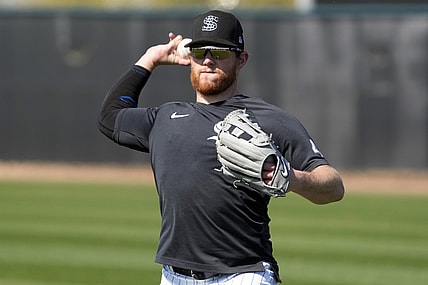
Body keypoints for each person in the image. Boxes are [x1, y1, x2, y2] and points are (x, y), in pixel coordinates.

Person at [98, 9, 344, 285]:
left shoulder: (269, 119)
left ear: (241, 60)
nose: (208, 60)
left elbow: (333, 187)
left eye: (221, 53)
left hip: (243, 274)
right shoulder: (165, 118)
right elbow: (109, 118)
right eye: (200, 51)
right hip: (173, 276)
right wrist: (150, 59)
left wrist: (292, 178)